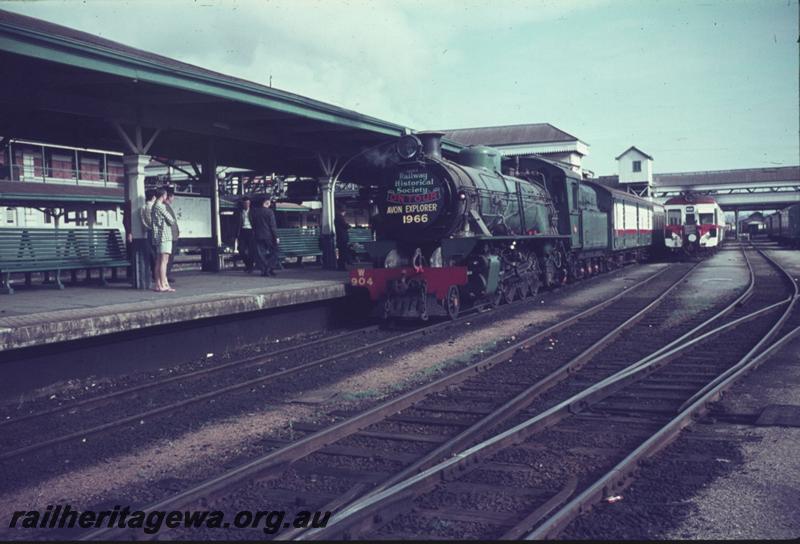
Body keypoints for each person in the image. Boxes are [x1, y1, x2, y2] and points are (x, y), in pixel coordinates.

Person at [151, 187, 175, 292]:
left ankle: (158, 285)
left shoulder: (154, 206)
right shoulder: (161, 206)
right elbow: (171, 220)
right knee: (164, 261)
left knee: (158, 261)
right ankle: (163, 285)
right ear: (163, 195)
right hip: (164, 236)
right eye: (165, 195)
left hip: (158, 236)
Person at [251, 196, 280, 276]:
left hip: (258, 235)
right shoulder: (269, 212)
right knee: (275, 251)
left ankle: (264, 270)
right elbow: (272, 226)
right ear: (266, 202)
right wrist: (276, 237)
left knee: (261, 254)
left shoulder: (255, 212)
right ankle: (269, 267)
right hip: (268, 236)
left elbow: (252, 224)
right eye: (269, 202)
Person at [140, 189, 157, 283]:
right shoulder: (153, 207)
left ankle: (152, 273)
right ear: (154, 197)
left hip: (146, 232)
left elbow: (143, 220)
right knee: (156, 254)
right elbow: (153, 221)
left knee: (150, 254)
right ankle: (156, 274)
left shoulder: (143, 207)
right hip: (154, 232)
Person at [164, 186, 180, 283]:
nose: (173, 198)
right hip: (170, 236)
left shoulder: (168, 207)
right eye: (172, 196)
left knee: (169, 257)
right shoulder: (164, 207)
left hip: (173, 235)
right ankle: (166, 274)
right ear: (169, 197)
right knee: (168, 258)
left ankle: (167, 273)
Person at [235, 196, 254, 272]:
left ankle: (250, 267)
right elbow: (235, 224)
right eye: (245, 203)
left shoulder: (253, 212)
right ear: (243, 204)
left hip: (251, 231)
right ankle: (248, 265)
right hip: (242, 231)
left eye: (248, 203)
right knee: (241, 250)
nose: (247, 205)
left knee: (251, 250)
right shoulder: (238, 212)